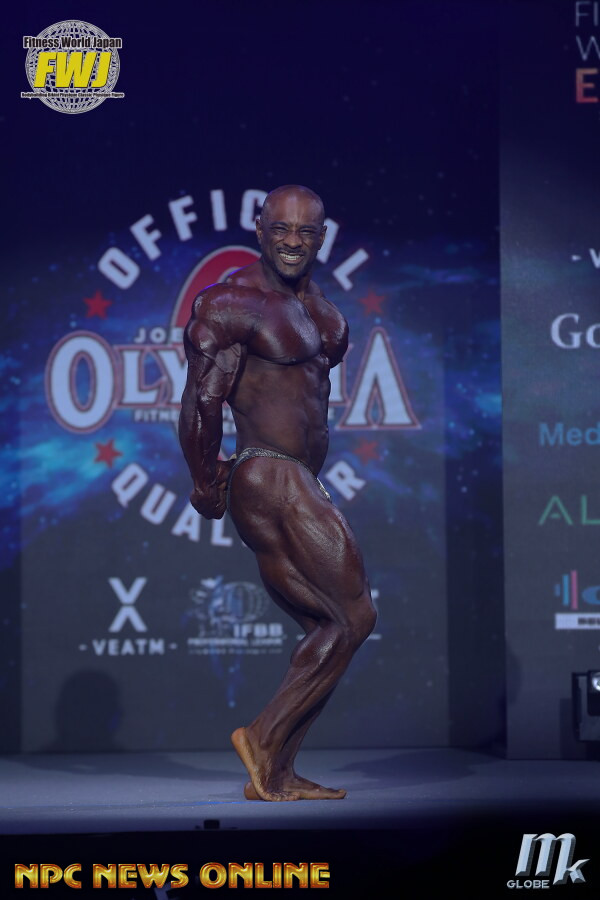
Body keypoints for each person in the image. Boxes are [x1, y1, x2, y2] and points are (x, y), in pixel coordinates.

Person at [179, 184, 376, 801]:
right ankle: (262, 737)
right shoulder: (231, 301)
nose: (293, 241)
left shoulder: (323, 310)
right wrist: (203, 477)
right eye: (282, 229)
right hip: (268, 472)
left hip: (298, 476)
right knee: (356, 614)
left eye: (305, 231)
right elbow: (202, 399)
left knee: (330, 626)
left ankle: (276, 772)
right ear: (260, 229)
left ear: (321, 237)